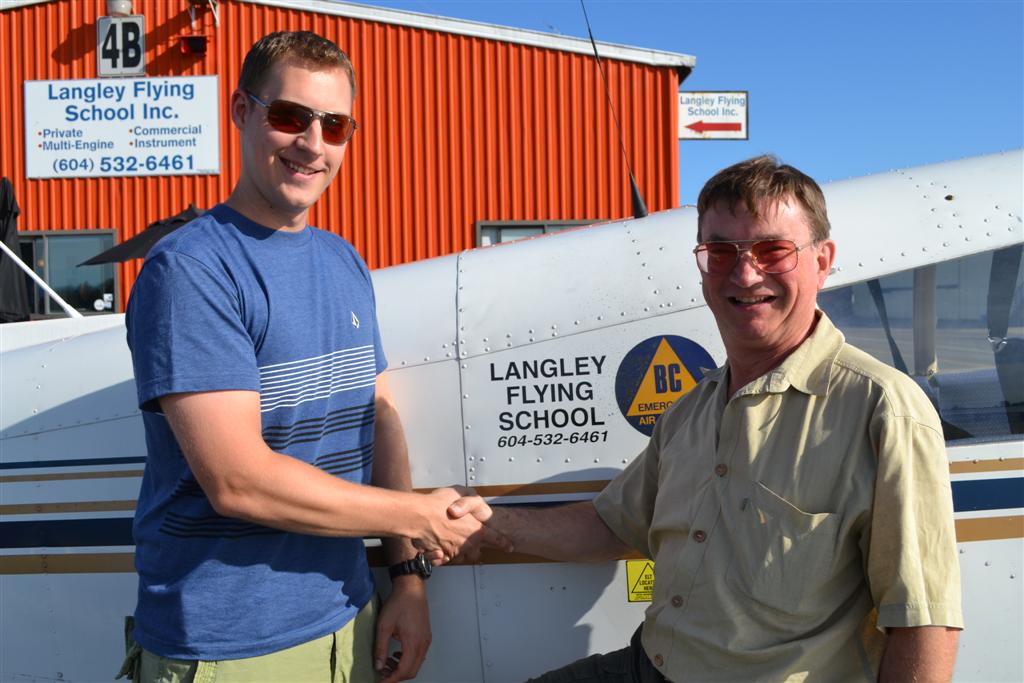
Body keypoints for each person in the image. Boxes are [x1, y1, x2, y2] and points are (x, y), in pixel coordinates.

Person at [453, 155, 963, 681]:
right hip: (649, 663)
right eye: (720, 252)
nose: (745, 273)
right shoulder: (691, 411)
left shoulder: (882, 410)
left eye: (772, 250)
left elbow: (925, 624)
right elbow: (611, 525)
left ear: (822, 260)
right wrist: (488, 523)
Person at [120, 31, 505, 683]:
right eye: (289, 117)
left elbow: (378, 413)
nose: (312, 143)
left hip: (347, 619)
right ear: (242, 112)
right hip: (231, 650)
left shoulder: (343, 262)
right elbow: (236, 480)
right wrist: (419, 512)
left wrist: (406, 576)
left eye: (335, 126)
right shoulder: (191, 270)